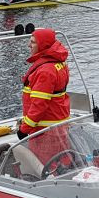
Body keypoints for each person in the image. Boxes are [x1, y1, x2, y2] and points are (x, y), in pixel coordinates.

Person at [18, 28, 71, 171]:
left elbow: (39, 106)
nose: (29, 45)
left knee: (46, 167)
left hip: (44, 131)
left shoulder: (45, 71)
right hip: (58, 124)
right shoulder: (59, 63)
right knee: (61, 161)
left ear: (43, 45)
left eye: (33, 42)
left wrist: (24, 129)